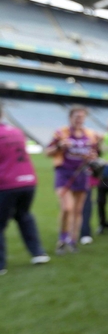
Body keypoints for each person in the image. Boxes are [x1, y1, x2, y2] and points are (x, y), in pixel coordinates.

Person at [0, 103, 49, 274]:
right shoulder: (15, 131)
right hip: (28, 182)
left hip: (6, 184)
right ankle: (38, 253)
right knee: (24, 215)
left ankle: (1, 264)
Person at [45, 105, 98, 254]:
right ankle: (62, 239)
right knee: (67, 207)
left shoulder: (90, 134)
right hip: (64, 174)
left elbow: (94, 154)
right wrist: (60, 147)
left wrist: (92, 157)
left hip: (82, 175)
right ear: (70, 118)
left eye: (82, 117)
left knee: (77, 210)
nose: (79, 119)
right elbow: (47, 152)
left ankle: (72, 241)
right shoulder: (61, 133)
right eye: (76, 116)